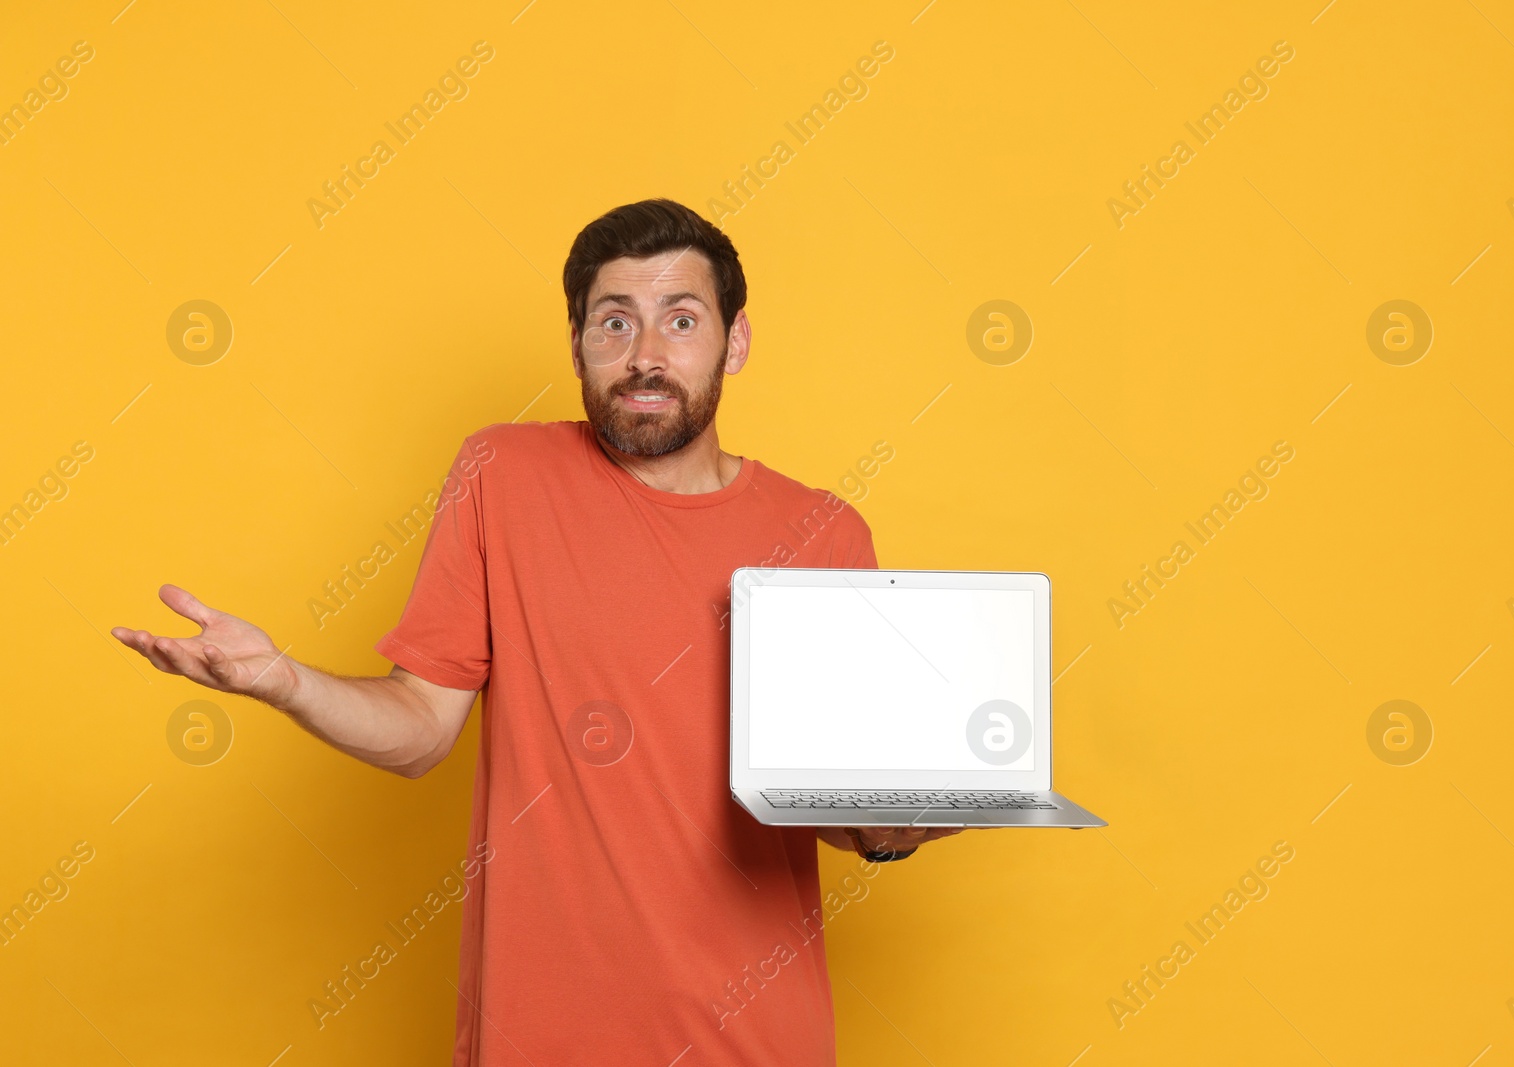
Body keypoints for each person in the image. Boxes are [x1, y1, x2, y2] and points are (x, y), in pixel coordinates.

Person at [112, 198, 961, 1065]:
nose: (645, 357)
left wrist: (919, 813)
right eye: (614, 322)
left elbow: (849, 814)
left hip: (753, 1040)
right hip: (541, 1038)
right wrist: (286, 682)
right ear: (578, 342)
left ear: (734, 341)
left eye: (680, 320)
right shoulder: (502, 476)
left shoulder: (821, 533)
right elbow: (418, 729)